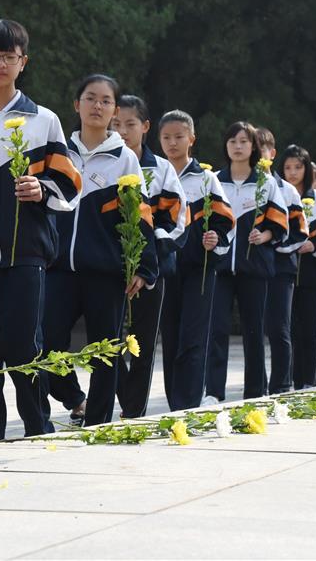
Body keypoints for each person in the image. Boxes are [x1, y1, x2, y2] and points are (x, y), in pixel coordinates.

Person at [0, 19, 82, 445]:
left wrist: (41, 189)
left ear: (23, 62)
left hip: (26, 255)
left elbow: (70, 184)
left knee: (25, 348)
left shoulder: (43, 120)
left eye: (9, 56)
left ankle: (36, 430)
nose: (0, 64)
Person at [43, 75, 158, 426]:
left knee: (105, 351)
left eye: (106, 101)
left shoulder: (124, 159)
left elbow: (141, 215)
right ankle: (75, 398)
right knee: (46, 344)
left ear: (114, 110)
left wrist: (145, 267)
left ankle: (98, 421)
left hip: (106, 272)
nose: (97, 106)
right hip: (57, 268)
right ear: (76, 105)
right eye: (90, 98)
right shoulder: (58, 151)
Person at [112, 95, 187, 418]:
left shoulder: (161, 169)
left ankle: (134, 412)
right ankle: (121, 398)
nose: (123, 131)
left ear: (144, 127)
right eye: (117, 125)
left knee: (142, 342)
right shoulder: (104, 160)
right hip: (109, 267)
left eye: (130, 124)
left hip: (150, 269)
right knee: (110, 342)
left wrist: (148, 260)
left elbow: (175, 218)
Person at [158, 110, 235, 411]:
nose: (173, 143)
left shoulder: (206, 180)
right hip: (166, 269)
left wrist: (214, 238)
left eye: (179, 137)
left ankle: (187, 403)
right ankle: (173, 400)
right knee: (171, 337)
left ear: (192, 139)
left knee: (193, 337)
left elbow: (225, 221)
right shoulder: (156, 174)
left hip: (199, 271)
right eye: (166, 137)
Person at [207, 122, 288, 401]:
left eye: (243, 141)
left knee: (254, 332)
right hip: (219, 269)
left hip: (254, 268)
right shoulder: (214, 181)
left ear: (253, 147)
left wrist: (264, 235)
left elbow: (280, 221)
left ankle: (255, 392)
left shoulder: (265, 183)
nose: (237, 146)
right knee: (216, 330)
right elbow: (205, 220)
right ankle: (213, 392)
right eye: (232, 141)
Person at [277, 145, 316, 389]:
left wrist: (313, 246)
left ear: (307, 169)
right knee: (287, 331)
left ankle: (308, 383)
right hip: (284, 273)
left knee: (312, 331)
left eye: (298, 167)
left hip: (313, 276)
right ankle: (288, 380)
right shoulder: (277, 194)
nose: (292, 173)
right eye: (288, 167)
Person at [258, 129, 307, 395]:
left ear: (272, 154)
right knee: (255, 330)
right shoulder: (239, 184)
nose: (257, 155)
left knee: (279, 329)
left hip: (280, 268)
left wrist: (274, 244)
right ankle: (256, 386)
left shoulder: (286, 190)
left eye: (261, 149)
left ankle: (280, 385)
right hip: (252, 270)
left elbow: (300, 232)